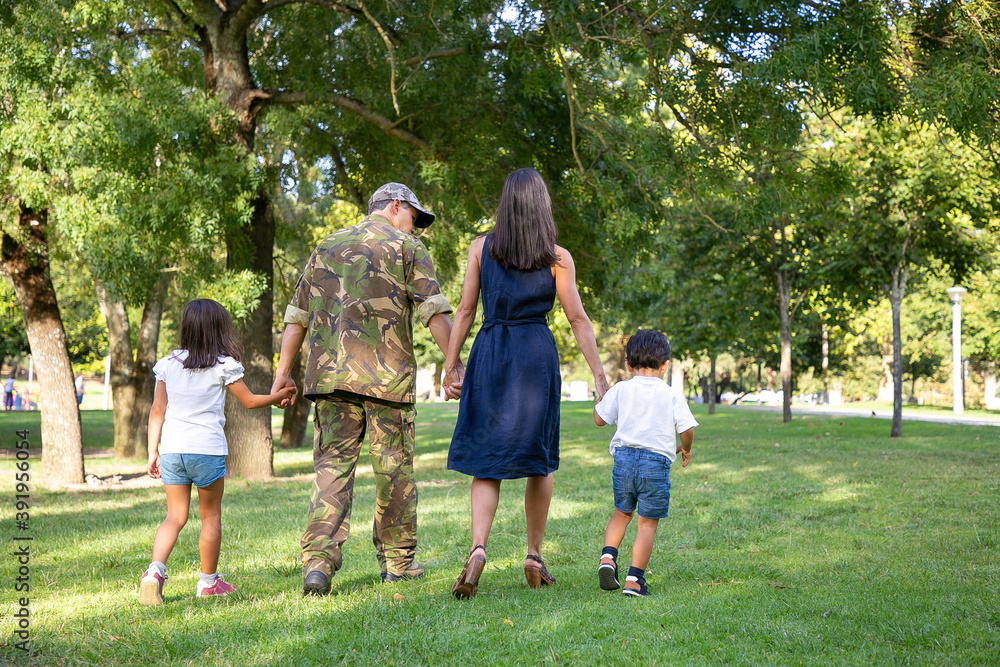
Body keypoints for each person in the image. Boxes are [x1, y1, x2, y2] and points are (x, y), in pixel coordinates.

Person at [272, 183, 461, 596]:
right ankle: (398, 564)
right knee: (393, 470)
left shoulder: (327, 245)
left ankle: (318, 564)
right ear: (395, 206)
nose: (417, 229)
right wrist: (453, 365)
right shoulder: (407, 248)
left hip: (330, 378)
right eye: (414, 218)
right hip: (387, 381)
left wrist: (282, 373)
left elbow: (297, 316)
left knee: (331, 467)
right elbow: (433, 311)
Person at [446, 167, 609, 599]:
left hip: (492, 351)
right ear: (542, 205)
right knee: (540, 460)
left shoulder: (481, 248)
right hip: (535, 356)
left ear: (504, 205)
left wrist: (451, 364)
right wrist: (598, 374)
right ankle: (534, 555)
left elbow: (464, 311)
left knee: (486, 459)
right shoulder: (558, 257)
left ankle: (478, 548)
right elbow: (577, 318)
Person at [139, 299, 295, 606]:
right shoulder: (223, 365)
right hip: (206, 451)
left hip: (172, 450)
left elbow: (158, 411)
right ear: (219, 329)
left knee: (174, 516)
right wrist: (277, 397)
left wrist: (152, 452)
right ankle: (208, 583)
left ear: (186, 328)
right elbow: (249, 402)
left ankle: (153, 574)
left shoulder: (168, 365)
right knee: (210, 517)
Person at [593, 329, 698, 597]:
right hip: (656, 464)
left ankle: (607, 558)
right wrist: (685, 449)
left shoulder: (621, 389)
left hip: (624, 461)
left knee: (621, 513)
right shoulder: (670, 393)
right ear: (665, 365)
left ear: (628, 364)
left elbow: (599, 419)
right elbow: (686, 429)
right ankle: (634, 580)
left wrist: (600, 401)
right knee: (647, 523)